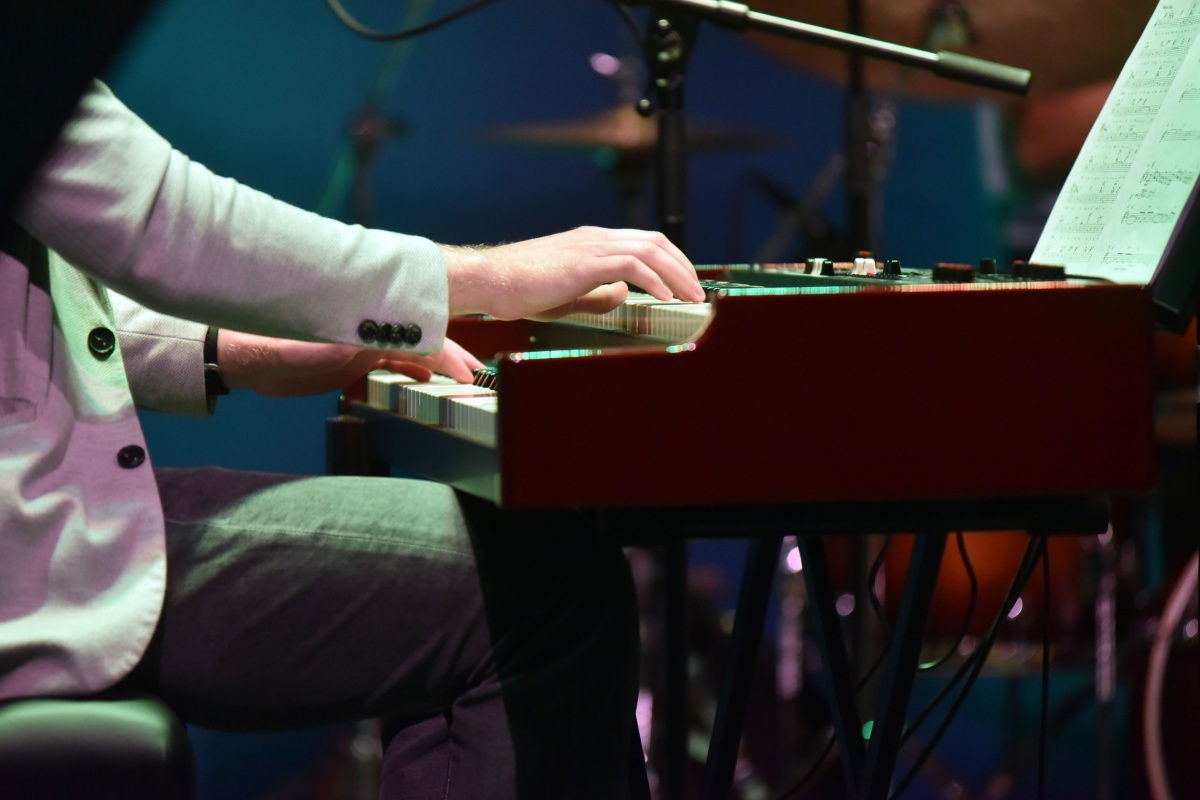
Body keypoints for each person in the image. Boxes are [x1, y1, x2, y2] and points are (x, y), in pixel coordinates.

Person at [1, 79, 704, 799]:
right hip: (31, 560)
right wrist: (489, 277)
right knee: (552, 586)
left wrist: (244, 351)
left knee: (534, 571)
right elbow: (160, 222)